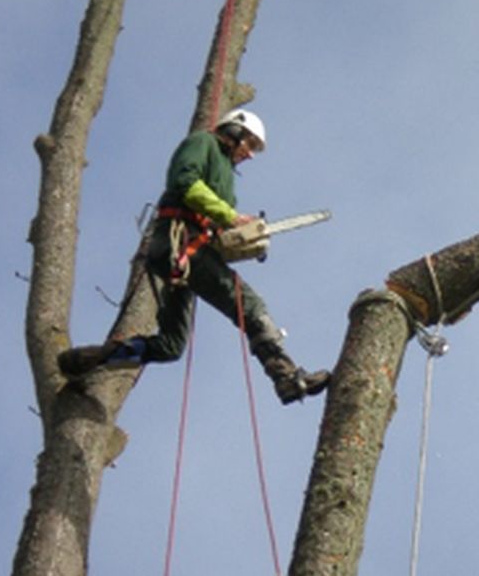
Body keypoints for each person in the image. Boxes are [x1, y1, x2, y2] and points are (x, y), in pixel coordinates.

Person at [58, 109, 330, 404]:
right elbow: (185, 182)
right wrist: (229, 216)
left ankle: (91, 360)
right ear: (235, 131)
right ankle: (286, 377)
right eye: (249, 144)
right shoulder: (203, 143)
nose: (250, 155)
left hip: (185, 254)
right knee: (249, 306)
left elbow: (213, 216)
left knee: (171, 346)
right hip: (180, 244)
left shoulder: (226, 176)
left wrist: (237, 233)